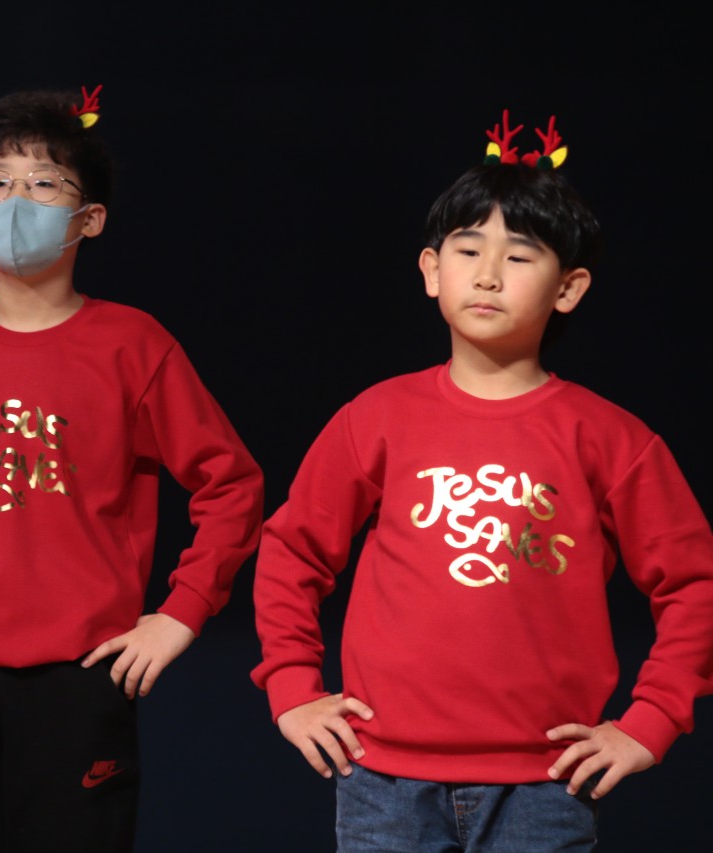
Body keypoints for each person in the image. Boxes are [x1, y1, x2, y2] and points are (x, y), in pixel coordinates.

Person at [252, 110, 713, 851]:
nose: (489, 274)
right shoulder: (377, 416)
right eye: (469, 250)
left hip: (545, 782)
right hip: (382, 775)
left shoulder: (611, 438)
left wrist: (651, 720)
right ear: (432, 271)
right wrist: (290, 687)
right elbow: (293, 550)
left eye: (521, 256)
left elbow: (694, 582)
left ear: (569, 288)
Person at [0, 86, 264, 852]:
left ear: (90, 218)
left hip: (83, 673)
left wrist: (182, 611)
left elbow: (231, 483)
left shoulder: (133, 345)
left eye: (45, 182)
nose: (18, 199)